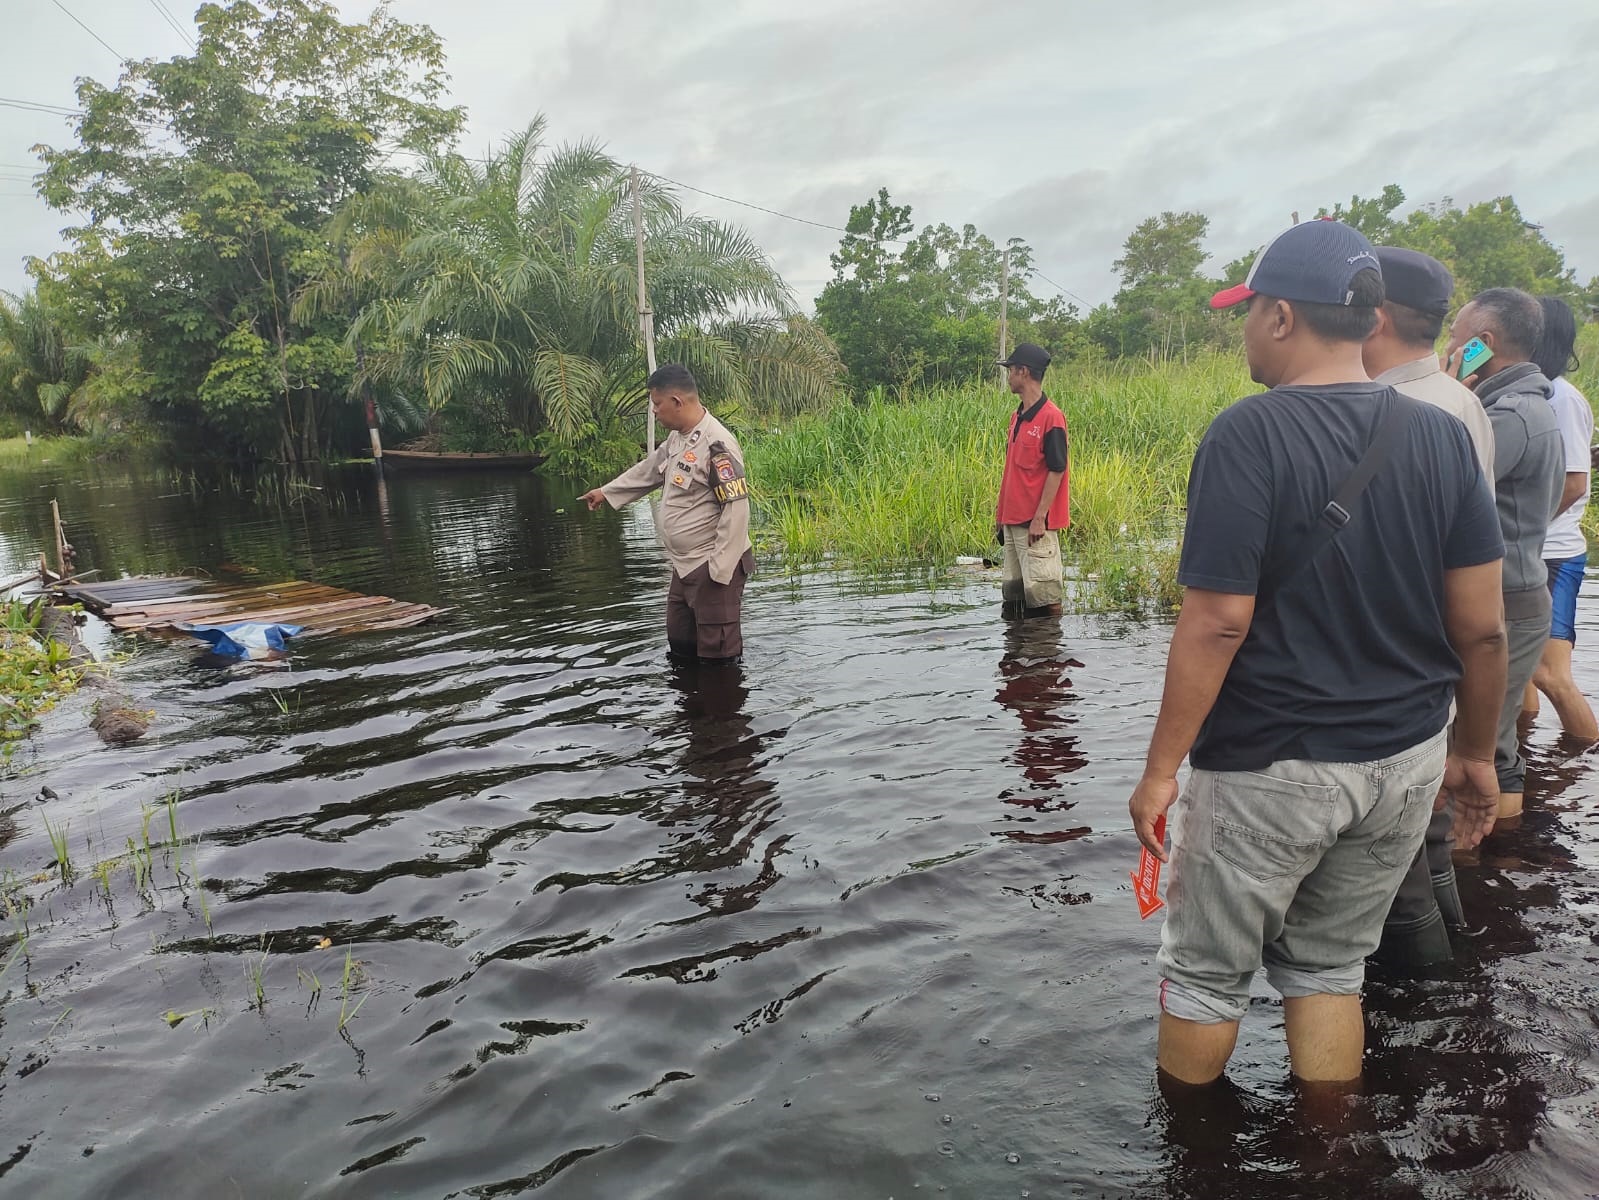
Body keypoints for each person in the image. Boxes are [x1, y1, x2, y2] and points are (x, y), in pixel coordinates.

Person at [1129, 219, 1507, 1088]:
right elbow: (1481, 627)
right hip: (1405, 758)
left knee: (1202, 979)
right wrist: (1474, 754)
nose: (1244, 327)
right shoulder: (1442, 433)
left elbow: (1218, 621)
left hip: (1274, 762)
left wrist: (1158, 773)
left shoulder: (1246, 434)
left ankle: (1194, 1166)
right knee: (1330, 972)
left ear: (1280, 318)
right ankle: (1329, 1160)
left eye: (1247, 309)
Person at [1362, 246, 1494, 969]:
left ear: (1372, 316)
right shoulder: (1461, 402)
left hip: (1399, 673)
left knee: (1395, 865)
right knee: (1426, 835)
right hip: (1437, 664)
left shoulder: (1401, 410)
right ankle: (1456, 972)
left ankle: (1424, 1007)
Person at [1442, 289, 1566, 824]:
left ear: (1482, 344)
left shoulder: (1510, 415)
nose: (1448, 345)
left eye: (1455, 337)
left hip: (1506, 599)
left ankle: (1493, 865)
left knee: (1486, 742)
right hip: (1518, 591)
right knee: (1494, 732)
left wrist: (1444, 394)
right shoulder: (1528, 404)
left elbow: (1447, 490)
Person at [580, 364, 755, 663]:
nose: (654, 412)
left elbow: (736, 509)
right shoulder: (679, 438)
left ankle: (723, 709)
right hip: (683, 567)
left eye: (657, 404)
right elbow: (649, 471)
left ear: (677, 401)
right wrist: (607, 492)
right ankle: (689, 709)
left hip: (711, 567)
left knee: (718, 659)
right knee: (680, 646)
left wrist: (719, 571)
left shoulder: (717, 444)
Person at [1522, 295, 1598, 741]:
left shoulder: (1562, 398)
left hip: (1552, 554)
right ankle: (1526, 757)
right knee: (1518, 672)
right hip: (1532, 551)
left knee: (1550, 674)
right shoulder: (1530, 392)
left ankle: (1585, 756)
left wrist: (1524, 528)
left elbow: (1574, 482)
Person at [994, 342, 1070, 619]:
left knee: (1045, 598)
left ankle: (1047, 657)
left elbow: (1057, 469)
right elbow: (1012, 471)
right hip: (1012, 523)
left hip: (1035, 526)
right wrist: (1000, 515)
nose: (1009, 376)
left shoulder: (1052, 417)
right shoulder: (1017, 416)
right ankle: (1016, 659)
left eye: (1011, 370)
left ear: (1024, 372)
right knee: (1014, 599)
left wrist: (1040, 517)